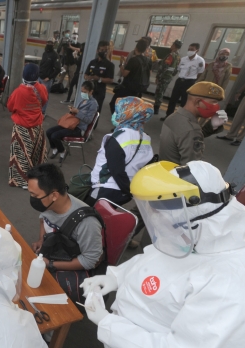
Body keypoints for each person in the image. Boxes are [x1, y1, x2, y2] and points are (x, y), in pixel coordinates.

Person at [81, 160, 245, 348]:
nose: (156, 220)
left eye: (162, 213)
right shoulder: (198, 233)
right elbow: (160, 257)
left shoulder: (233, 284)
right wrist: (117, 277)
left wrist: (109, 325)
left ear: (196, 213)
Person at [28, 163, 104, 302]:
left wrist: (50, 264)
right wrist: (41, 240)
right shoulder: (48, 204)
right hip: (51, 255)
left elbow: (90, 260)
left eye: (34, 195)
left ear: (54, 195)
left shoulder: (86, 223)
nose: (32, 199)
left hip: (70, 268)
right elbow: (43, 218)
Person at [86, 97, 153, 207]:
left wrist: (128, 190)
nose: (115, 114)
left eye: (119, 111)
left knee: (86, 217)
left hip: (106, 189)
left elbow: (117, 171)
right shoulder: (146, 138)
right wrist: (130, 191)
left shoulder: (119, 137)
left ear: (129, 114)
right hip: (124, 192)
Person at [159, 82, 227, 165]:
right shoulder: (191, 130)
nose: (216, 107)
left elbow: (183, 138)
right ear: (198, 102)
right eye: (213, 102)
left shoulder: (174, 117)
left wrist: (210, 127)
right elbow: (192, 168)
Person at [7, 64, 48, 189]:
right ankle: (37, 177)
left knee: (21, 154)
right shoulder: (41, 88)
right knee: (35, 153)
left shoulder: (18, 91)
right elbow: (44, 100)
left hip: (21, 127)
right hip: (37, 127)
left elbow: (10, 106)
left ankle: (23, 181)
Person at [47, 81, 97, 163]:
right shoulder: (83, 100)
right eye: (82, 91)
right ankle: (55, 149)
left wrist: (77, 112)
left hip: (79, 128)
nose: (82, 94)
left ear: (91, 92)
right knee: (49, 132)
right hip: (71, 124)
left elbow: (89, 120)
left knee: (55, 136)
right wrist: (73, 111)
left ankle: (62, 152)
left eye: (85, 92)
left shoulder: (93, 104)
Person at [163, 43, 206, 120]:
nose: (190, 51)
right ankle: (168, 116)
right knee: (173, 99)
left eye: (192, 49)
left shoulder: (200, 61)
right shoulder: (183, 59)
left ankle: (180, 119)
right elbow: (179, 69)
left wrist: (193, 80)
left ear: (197, 50)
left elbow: (200, 72)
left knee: (184, 102)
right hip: (180, 81)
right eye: (189, 49)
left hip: (189, 82)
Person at [109, 39, 151, 114]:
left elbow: (124, 74)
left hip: (128, 88)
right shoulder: (148, 61)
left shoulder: (133, 60)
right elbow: (149, 73)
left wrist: (121, 64)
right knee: (130, 108)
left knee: (113, 103)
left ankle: (119, 120)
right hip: (139, 89)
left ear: (136, 48)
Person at [82, 41, 115, 113]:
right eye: (102, 50)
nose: (104, 52)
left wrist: (99, 79)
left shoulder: (109, 65)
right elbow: (85, 74)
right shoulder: (92, 62)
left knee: (95, 112)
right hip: (89, 90)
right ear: (97, 51)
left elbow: (110, 80)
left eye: (106, 50)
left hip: (99, 91)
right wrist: (88, 77)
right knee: (84, 110)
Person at [153, 39, 182, 114]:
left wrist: (158, 76)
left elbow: (164, 66)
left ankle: (156, 108)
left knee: (159, 92)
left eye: (172, 44)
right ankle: (156, 107)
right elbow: (177, 68)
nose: (171, 46)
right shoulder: (178, 56)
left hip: (164, 76)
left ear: (174, 46)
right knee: (162, 90)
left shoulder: (171, 55)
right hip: (169, 76)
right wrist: (172, 75)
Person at [38, 40, 61, 115]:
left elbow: (58, 69)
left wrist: (50, 77)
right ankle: (37, 111)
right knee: (37, 96)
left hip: (46, 80)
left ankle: (43, 112)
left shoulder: (55, 55)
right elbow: (42, 65)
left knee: (44, 97)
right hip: (40, 78)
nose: (49, 44)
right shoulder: (44, 53)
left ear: (54, 45)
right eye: (48, 43)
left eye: (51, 43)